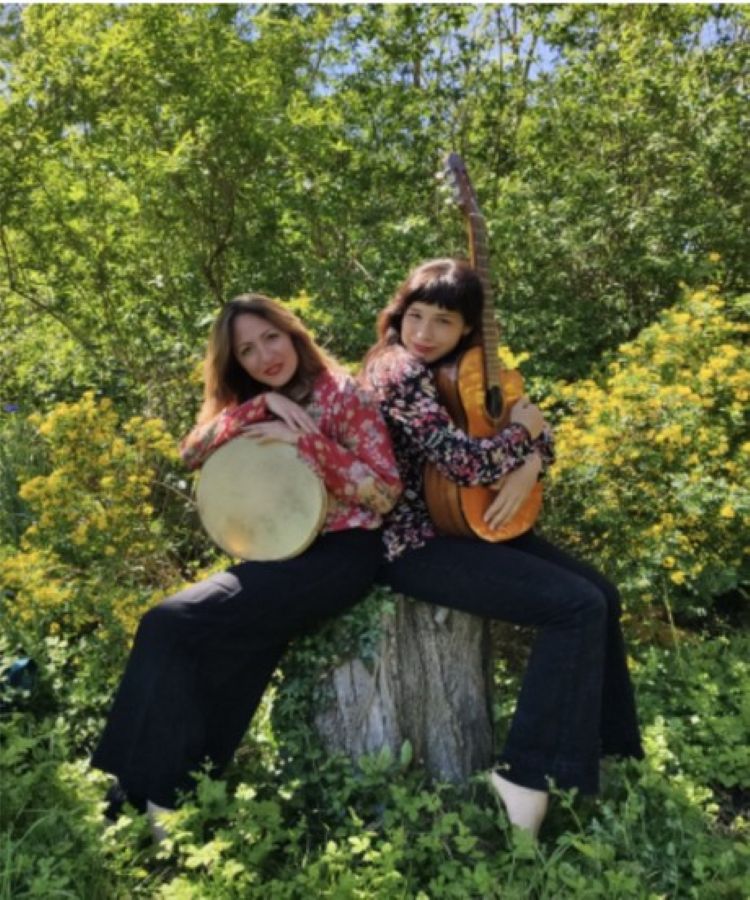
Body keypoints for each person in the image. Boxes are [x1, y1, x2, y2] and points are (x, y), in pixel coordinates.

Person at [92, 293, 402, 840]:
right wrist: (254, 410)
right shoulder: (249, 400)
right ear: (235, 361)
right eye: (248, 350)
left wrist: (306, 442)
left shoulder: (340, 392)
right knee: (229, 664)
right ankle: (166, 792)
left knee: (168, 623)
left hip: (341, 555)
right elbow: (191, 451)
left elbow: (384, 493)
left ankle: (155, 798)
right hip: (272, 554)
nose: (264, 356)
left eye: (271, 338)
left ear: (293, 334)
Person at [361, 258, 643, 837]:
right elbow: (463, 459)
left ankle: (605, 746)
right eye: (416, 316)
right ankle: (525, 775)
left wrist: (532, 458)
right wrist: (527, 443)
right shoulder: (394, 370)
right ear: (398, 314)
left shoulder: (467, 368)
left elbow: (535, 431)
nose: (424, 332)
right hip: (417, 544)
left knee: (603, 595)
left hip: (475, 527)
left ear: (467, 329)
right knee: (574, 606)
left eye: (443, 320)